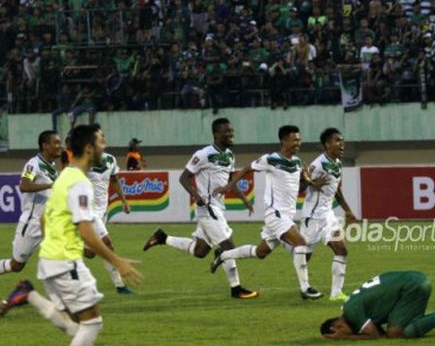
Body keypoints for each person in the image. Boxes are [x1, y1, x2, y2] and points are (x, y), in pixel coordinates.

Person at [0, 124, 143, 346]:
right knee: (93, 323)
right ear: (88, 148)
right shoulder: (79, 183)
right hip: (65, 263)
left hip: (50, 260)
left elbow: (44, 220)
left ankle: (28, 294)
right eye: (101, 141)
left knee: (74, 324)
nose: (104, 146)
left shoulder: (63, 178)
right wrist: (117, 260)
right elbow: (87, 231)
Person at [142, 118, 259, 299]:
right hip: (207, 208)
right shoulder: (204, 154)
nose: (231, 134)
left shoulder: (229, 155)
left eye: (231, 131)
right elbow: (184, 177)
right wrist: (197, 196)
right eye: (227, 132)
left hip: (218, 207)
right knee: (228, 245)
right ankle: (236, 288)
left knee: (200, 251)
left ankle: (162, 238)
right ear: (216, 134)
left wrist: (244, 199)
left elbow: (229, 181)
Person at [210, 125, 327, 300]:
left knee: (260, 252)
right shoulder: (271, 159)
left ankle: (223, 255)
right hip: (275, 214)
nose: (298, 143)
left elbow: (298, 188)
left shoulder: (296, 163)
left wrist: (310, 182)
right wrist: (229, 186)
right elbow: (246, 169)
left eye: (299, 140)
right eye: (295, 140)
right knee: (301, 243)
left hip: (287, 216)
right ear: (284, 141)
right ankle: (305, 288)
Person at [0, 130, 62, 294]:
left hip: (49, 222)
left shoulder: (53, 167)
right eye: (56, 143)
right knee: (16, 265)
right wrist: (49, 186)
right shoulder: (34, 164)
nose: (60, 146)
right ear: (45, 146)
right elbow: (24, 186)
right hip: (32, 224)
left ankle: (65, 297)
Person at [299, 128, 357, 302]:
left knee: (342, 250)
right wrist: (311, 181)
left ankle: (336, 293)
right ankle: (304, 286)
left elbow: (336, 191)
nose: (342, 144)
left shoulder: (337, 163)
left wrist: (348, 211)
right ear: (327, 144)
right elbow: (300, 187)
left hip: (328, 215)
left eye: (342, 141)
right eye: (337, 140)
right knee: (304, 255)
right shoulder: (318, 164)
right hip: (312, 216)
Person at [319, 271, 435, 340]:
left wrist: (344, 338)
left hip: (411, 286)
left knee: (395, 333)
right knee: (403, 329)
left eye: (340, 332)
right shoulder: (350, 307)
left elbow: (374, 336)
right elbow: (379, 332)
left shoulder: (352, 311)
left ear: (338, 327)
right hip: (413, 281)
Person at [86, 123, 135, 295]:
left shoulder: (110, 159)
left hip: (102, 210)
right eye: (99, 138)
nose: (103, 141)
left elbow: (114, 179)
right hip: (89, 211)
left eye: (103, 138)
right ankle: (120, 285)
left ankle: (68, 246)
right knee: (108, 244)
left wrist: (124, 200)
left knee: (92, 252)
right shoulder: (83, 161)